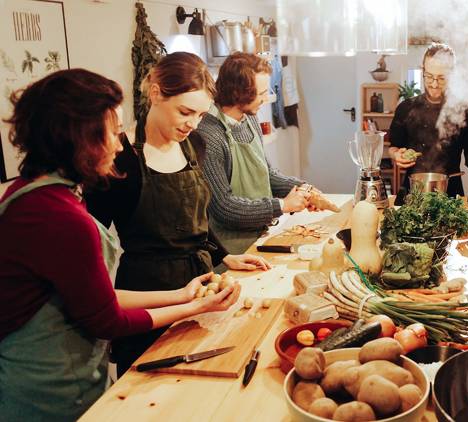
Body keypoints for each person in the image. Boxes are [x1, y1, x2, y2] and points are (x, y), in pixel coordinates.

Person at [0, 69, 241, 421]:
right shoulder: (60, 217)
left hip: (58, 375)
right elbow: (107, 320)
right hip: (47, 391)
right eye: (111, 133)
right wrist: (194, 308)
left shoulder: (31, 191)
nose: (117, 144)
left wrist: (183, 295)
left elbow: (100, 297)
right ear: (78, 137)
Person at [84, 52, 269, 376]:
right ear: (156, 93)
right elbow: (92, 242)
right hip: (148, 291)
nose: (192, 124)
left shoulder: (195, 144)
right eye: (185, 112)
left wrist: (224, 257)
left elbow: (195, 218)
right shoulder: (119, 158)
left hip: (201, 284)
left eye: (199, 114)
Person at [190, 52, 315, 254]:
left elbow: (265, 172)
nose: (266, 99)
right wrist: (282, 205)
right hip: (229, 248)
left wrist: (302, 188)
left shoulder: (248, 119)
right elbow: (224, 208)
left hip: (260, 235)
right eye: (261, 94)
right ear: (238, 93)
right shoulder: (209, 136)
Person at [389, 43, 468, 199]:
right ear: (423, 71)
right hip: (411, 191)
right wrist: (397, 155)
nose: (434, 84)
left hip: (450, 193)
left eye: (441, 78)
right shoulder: (405, 108)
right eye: (429, 76)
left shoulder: (466, 111)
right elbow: (394, 147)